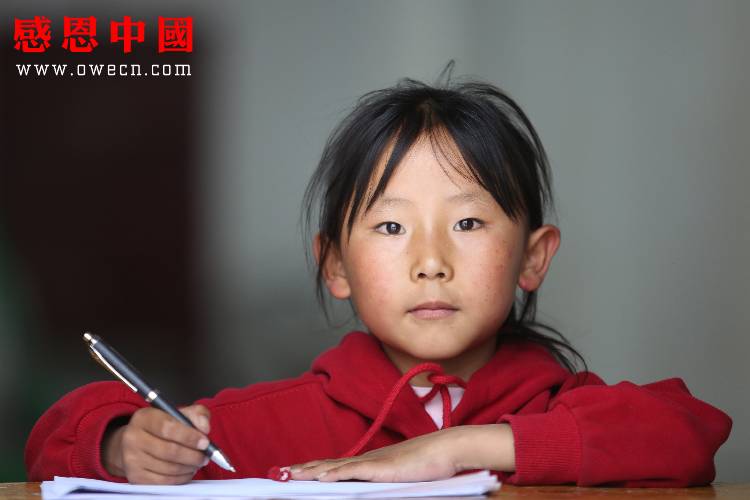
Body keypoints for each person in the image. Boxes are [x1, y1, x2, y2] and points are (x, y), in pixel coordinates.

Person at [25, 61, 732, 487]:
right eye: (391, 228)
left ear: (533, 257)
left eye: (468, 224)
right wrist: (122, 445)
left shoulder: (561, 408)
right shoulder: (270, 422)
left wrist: (454, 449)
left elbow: (691, 431)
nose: (431, 262)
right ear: (335, 264)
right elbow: (49, 442)